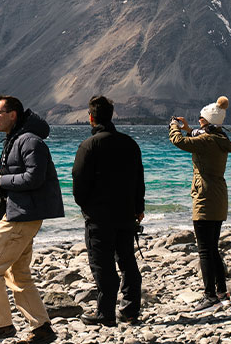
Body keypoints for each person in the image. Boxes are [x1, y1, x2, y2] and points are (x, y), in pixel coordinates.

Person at [0, 96, 64, 344]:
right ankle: (41, 327)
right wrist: (1, 182)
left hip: (21, 217)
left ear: (13, 115)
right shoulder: (19, 139)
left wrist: (1, 181)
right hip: (22, 214)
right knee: (17, 273)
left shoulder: (30, 141)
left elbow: (35, 178)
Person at [71, 95, 146, 326]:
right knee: (127, 261)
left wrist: (86, 207)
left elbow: (79, 183)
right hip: (126, 213)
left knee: (102, 264)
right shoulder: (130, 143)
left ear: (91, 118)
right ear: (111, 116)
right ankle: (131, 310)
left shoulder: (89, 145)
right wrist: (138, 207)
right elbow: (139, 179)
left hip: (99, 217)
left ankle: (105, 313)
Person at [169, 95, 231, 315]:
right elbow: (197, 137)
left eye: (201, 118)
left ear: (208, 121)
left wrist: (174, 127)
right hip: (218, 196)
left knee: (205, 250)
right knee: (212, 247)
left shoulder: (206, 141)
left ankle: (209, 297)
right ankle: (222, 293)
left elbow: (180, 142)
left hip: (205, 197)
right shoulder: (218, 138)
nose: (198, 121)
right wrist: (187, 128)